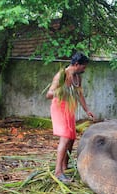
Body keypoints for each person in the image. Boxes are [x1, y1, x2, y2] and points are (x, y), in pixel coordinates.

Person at [46, 52, 95, 183]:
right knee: (66, 137)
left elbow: (80, 94)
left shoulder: (78, 77)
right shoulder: (61, 75)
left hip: (70, 108)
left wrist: (87, 110)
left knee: (72, 138)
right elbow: (49, 94)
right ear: (76, 64)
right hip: (59, 108)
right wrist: (62, 90)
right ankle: (58, 172)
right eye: (83, 67)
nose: (84, 69)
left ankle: (64, 167)